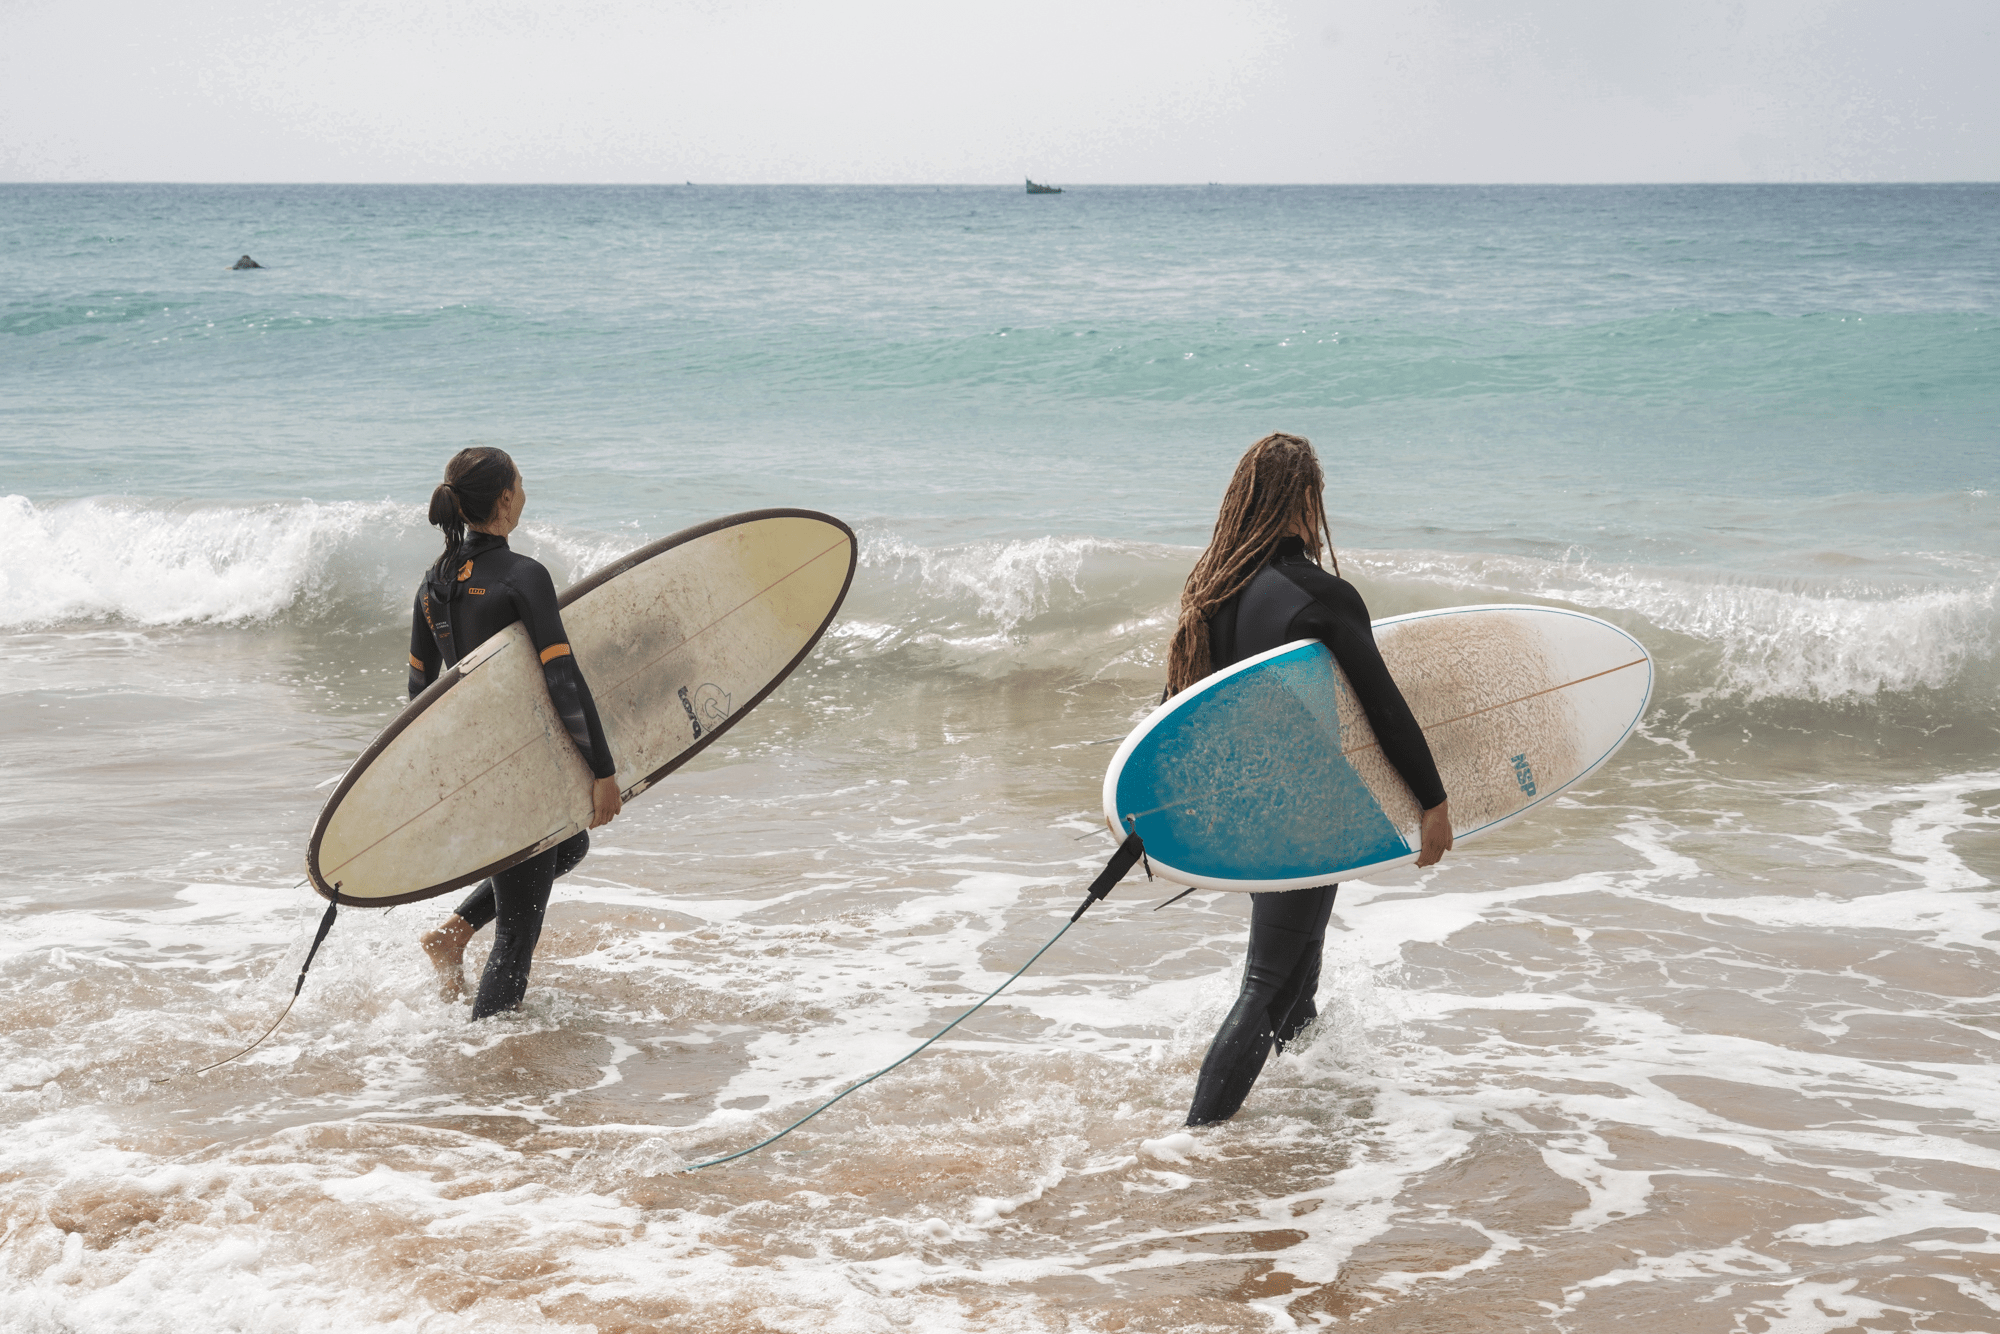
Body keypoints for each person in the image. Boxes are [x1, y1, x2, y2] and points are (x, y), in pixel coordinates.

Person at [1166, 433, 1452, 1126]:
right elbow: (1383, 707)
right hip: (1308, 806)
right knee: (1268, 983)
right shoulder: (1319, 596)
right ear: (1306, 501)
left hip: (1248, 802)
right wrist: (1432, 801)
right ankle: (1194, 1143)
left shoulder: (1215, 595)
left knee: (1296, 975)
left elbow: (1187, 715)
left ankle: (1320, 1105)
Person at [407, 447, 623, 1018]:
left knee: (569, 843)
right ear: (505, 499)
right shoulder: (524, 577)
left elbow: (418, 694)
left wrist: (445, 780)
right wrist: (603, 771)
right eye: (521, 483)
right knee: (517, 936)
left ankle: (452, 934)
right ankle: (490, 1072)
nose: (524, 492)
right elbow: (564, 681)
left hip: (474, 765)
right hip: (522, 768)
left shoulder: (433, 585)